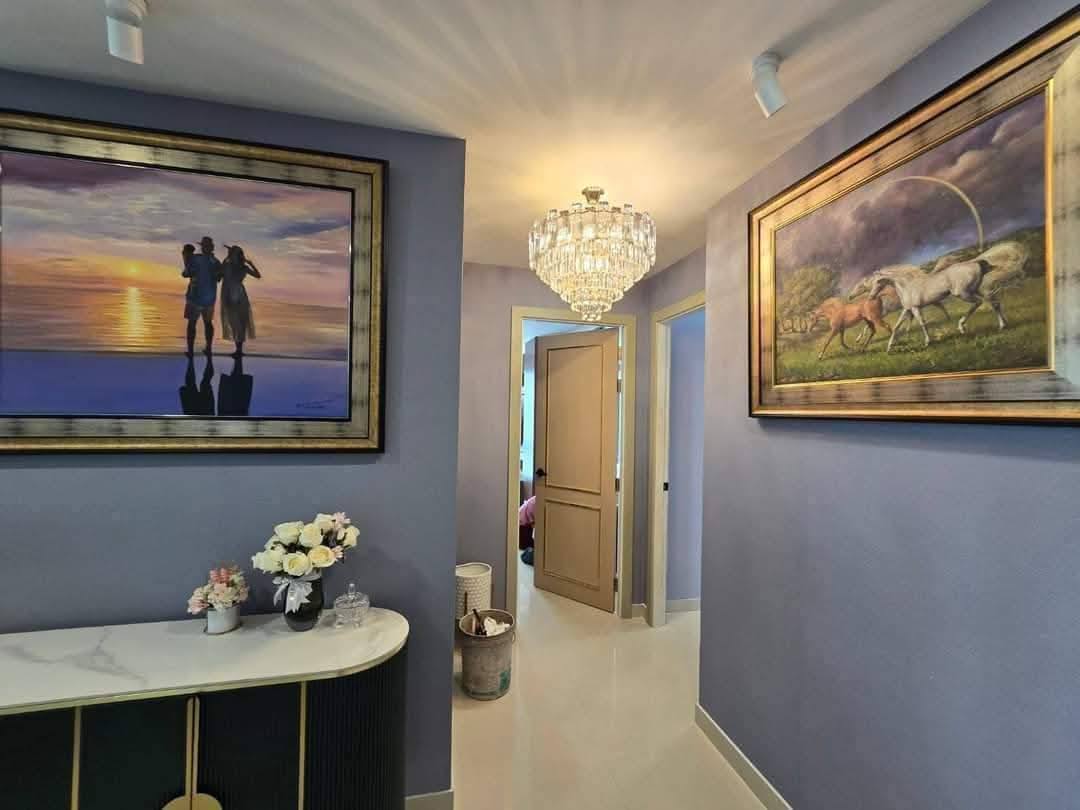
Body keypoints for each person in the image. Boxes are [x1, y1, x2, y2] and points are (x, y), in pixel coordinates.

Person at [183, 236, 222, 356]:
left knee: (192, 323)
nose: (204, 247)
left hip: (195, 296)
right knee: (208, 323)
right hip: (209, 298)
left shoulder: (195, 258)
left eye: (204, 246)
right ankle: (208, 348)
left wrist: (186, 259)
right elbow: (218, 278)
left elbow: (186, 273)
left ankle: (190, 351)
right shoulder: (216, 262)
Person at [220, 244, 261, 357]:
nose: (232, 256)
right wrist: (227, 258)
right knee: (234, 322)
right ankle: (238, 349)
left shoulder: (241, 267)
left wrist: (251, 264)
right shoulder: (228, 265)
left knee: (241, 323)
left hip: (238, 295)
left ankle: (239, 350)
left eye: (234, 254)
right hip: (232, 294)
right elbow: (220, 273)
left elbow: (257, 275)